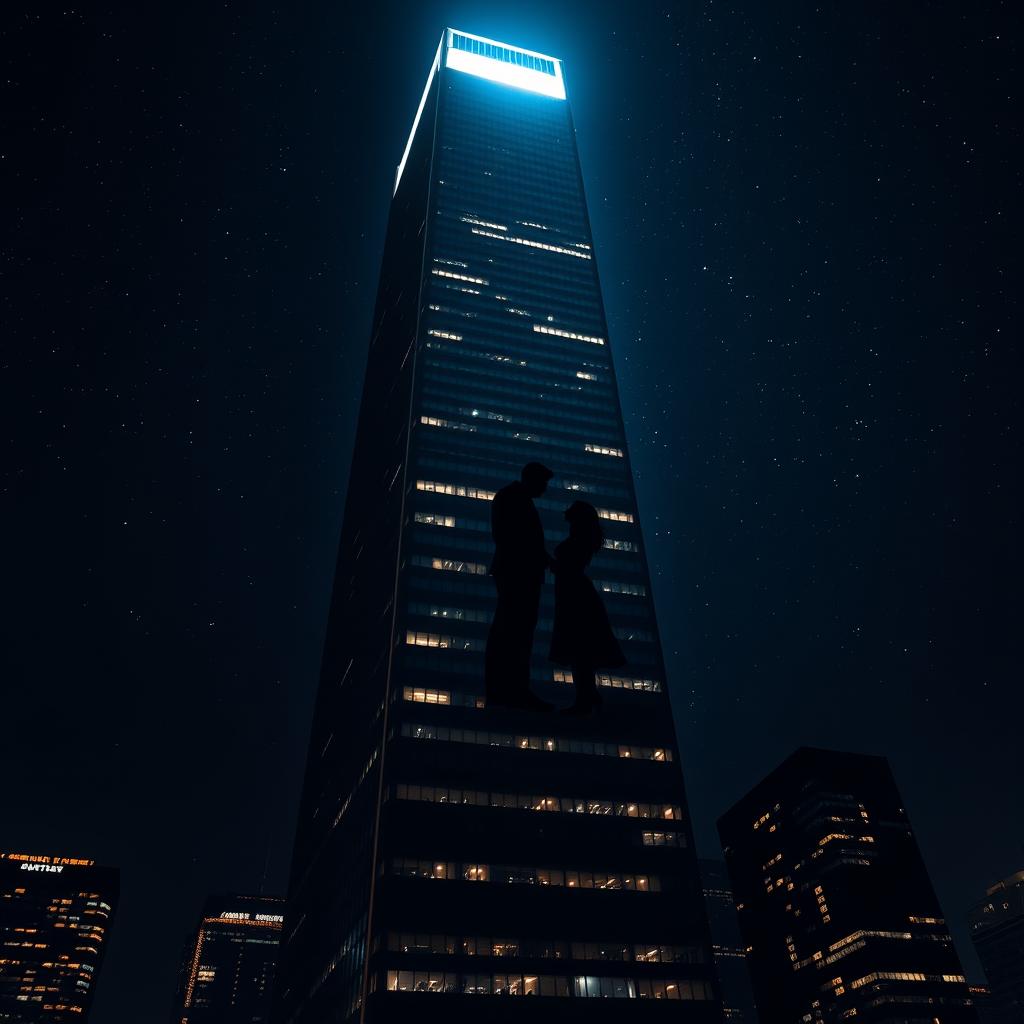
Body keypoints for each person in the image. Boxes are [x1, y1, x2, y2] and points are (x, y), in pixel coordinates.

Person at [485, 462, 555, 711]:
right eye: (543, 483)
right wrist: (537, 558)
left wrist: (544, 559)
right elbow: (509, 536)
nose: (545, 489)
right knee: (513, 629)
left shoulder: (516, 498)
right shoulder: (512, 497)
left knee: (518, 630)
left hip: (521, 572)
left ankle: (512, 688)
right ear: (532, 479)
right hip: (517, 572)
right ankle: (509, 689)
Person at [549, 500, 625, 715]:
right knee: (580, 649)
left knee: (578, 648)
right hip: (575, 594)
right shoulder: (582, 539)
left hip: (575, 595)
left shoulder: (579, 540)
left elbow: (566, 567)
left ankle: (585, 698)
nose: (569, 521)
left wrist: (547, 560)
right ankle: (588, 694)